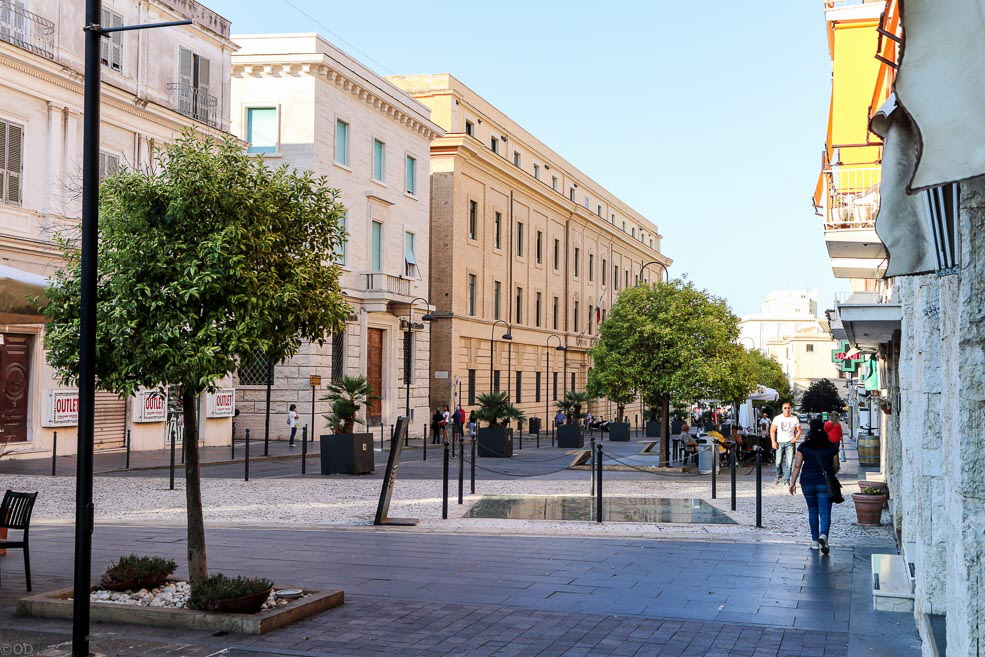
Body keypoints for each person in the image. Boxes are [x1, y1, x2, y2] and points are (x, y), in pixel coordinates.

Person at [789, 418, 841, 553]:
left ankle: (814, 541)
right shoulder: (831, 446)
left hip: (807, 482)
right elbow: (836, 465)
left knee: (812, 510)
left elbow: (797, 466)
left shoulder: (804, 446)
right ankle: (824, 536)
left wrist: (792, 483)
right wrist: (830, 474)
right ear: (823, 428)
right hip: (824, 483)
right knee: (825, 513)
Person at [770, 403, 802, 486]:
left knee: (789, 463)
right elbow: (772, 430)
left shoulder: (794, 418)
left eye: (788, 408)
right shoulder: (777, 418)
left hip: (789, 443)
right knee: (778, 462)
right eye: (785, 408)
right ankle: (779, 474)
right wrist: (773, 441)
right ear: (782, 409)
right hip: (780, 442)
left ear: (791, 409)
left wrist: (795, 438)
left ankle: (786, 480)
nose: (787, 410)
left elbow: (799, 430)